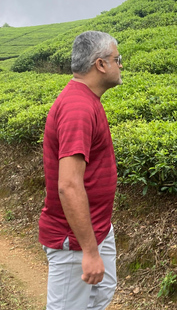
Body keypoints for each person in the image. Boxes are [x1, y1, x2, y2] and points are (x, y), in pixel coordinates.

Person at [39, 31, 122, 309]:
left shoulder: (87, 99)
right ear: (100, 65)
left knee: (103, 291)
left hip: (98, 228)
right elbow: (69, 185)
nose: (120, 65)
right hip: (73, 239)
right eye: (116, 59)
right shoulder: (78, 107)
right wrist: (88, 250)